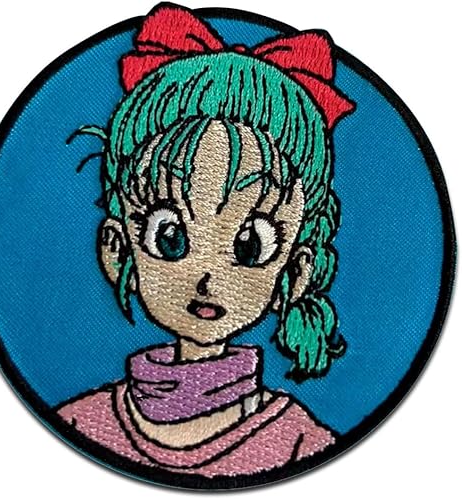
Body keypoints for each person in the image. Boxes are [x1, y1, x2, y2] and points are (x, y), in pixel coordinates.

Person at [57, 3, 355, 478]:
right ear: (117, 249)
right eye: (170, 237)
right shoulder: (81, 426)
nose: (207, 277)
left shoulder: (300, 444)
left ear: (295, 270)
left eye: (250, 246)